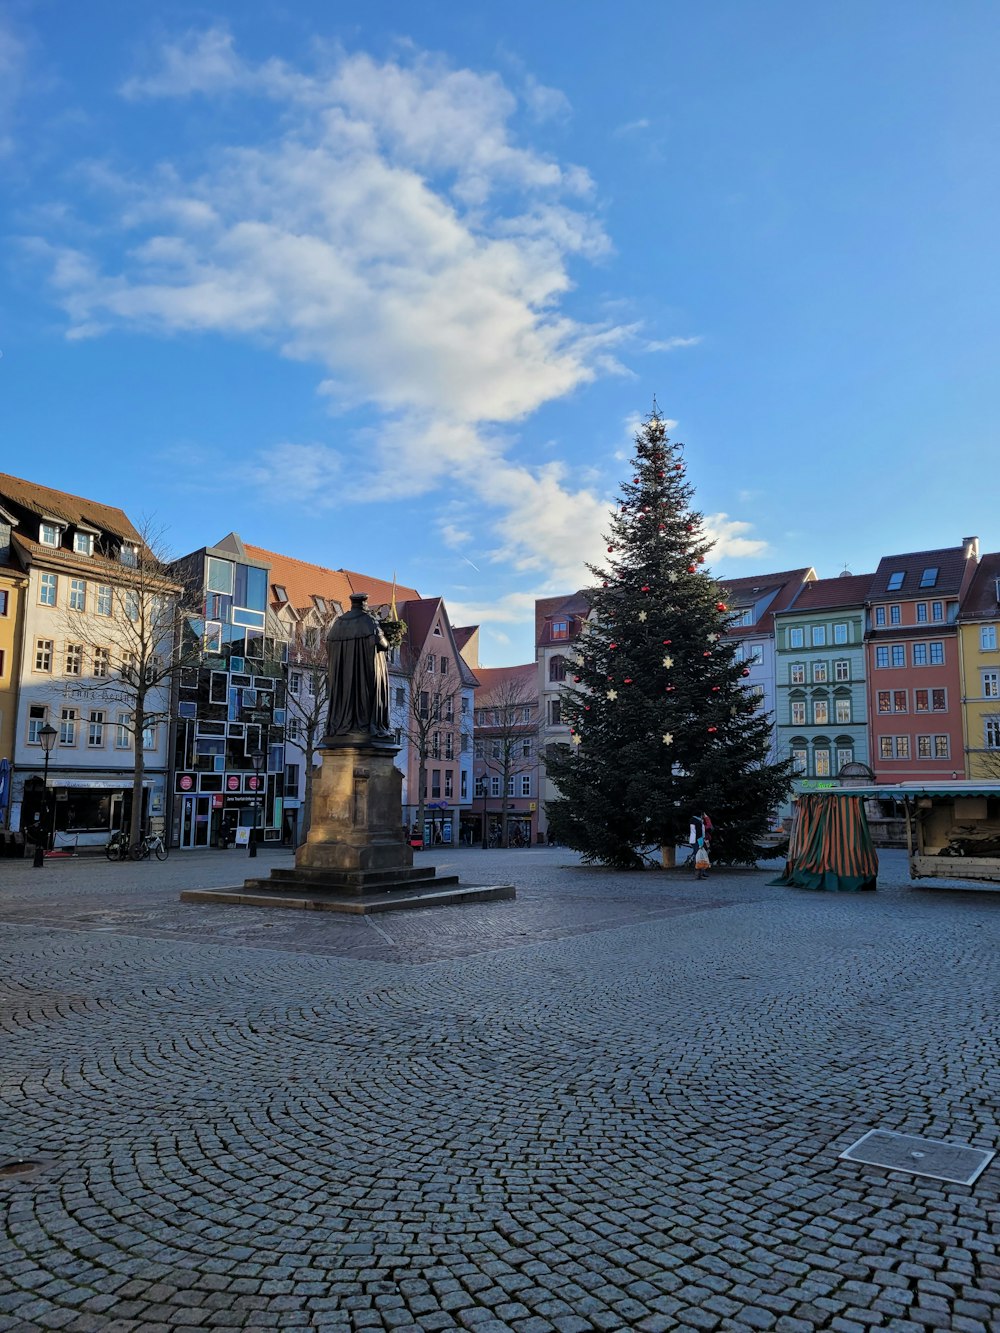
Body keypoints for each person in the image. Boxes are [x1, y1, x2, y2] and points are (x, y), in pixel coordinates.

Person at [324, 592, 392, 741]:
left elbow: (328, 647)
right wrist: (389, 636)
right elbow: (383, 644)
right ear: (365, 603)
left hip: (342, 683)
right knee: (367, 702)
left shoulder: (338, 623)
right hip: (364, 680)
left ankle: (344, 725)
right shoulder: (369, 621)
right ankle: (365, 725)